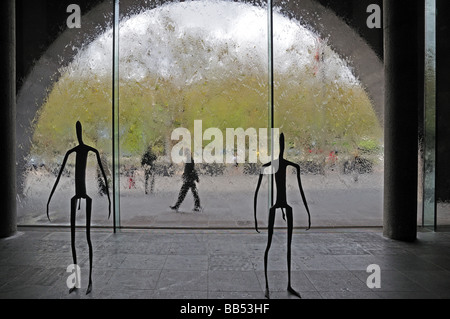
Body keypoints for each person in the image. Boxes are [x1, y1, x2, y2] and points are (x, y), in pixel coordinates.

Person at [47, 121, 111, 295]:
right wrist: (49, 200)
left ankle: (89, 280)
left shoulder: (91, 150)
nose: (78, 135)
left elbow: (105, 177)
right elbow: (59, 175)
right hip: (76, 197)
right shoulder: (73, 151)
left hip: (84, 197)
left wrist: (110, 201)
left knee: (88, 239)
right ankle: (75, 281)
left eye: (79, 131)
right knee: (74, 241)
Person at [254, 133, 311, 299]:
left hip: (285, 206)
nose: (282, 146)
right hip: (278, 206)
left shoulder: (285, 165)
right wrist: (256, 219)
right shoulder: (271, 165)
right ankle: (267, 285)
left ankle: (289, 285)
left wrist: (307, 213)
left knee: (288, 247)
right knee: (269, 245)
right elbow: (257, 192)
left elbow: (301, 191)